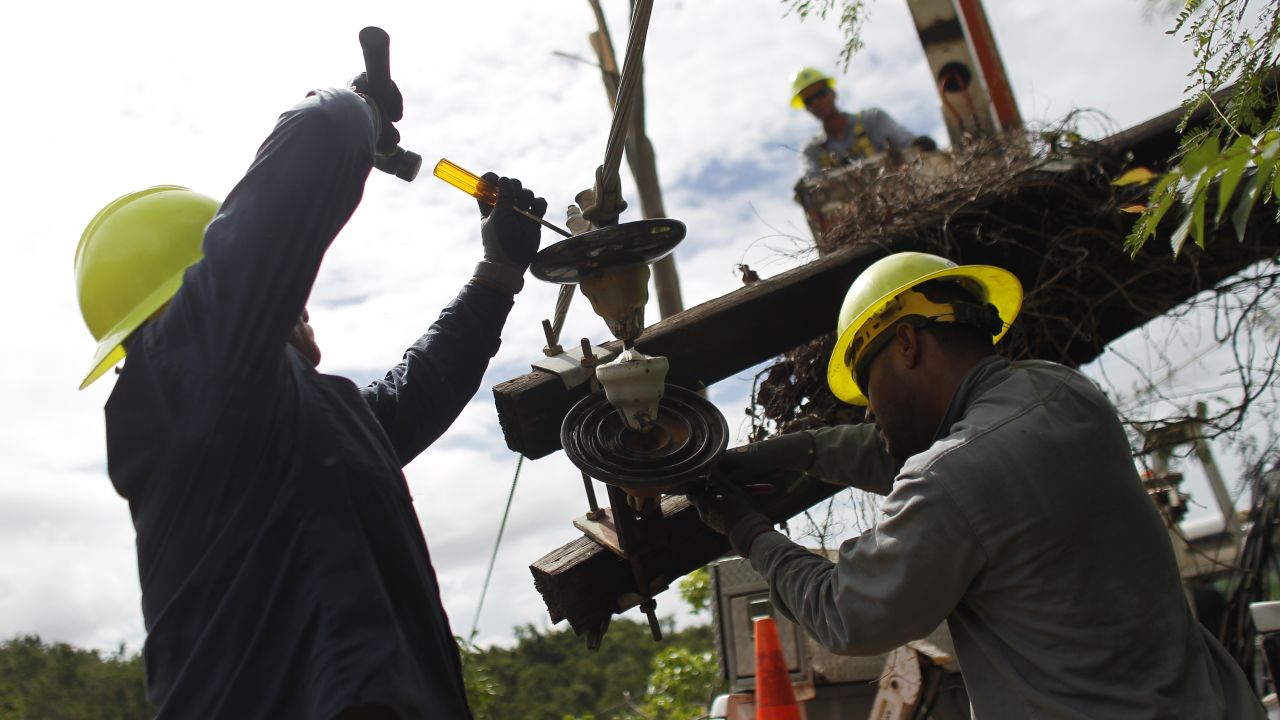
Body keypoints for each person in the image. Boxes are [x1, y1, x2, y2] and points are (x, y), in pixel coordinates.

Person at [73, 68, 547, 719]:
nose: (294, 297)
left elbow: (411, 398)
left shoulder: (276, 419)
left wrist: (496, 275)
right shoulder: (186, 370)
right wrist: (363, 111)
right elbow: (322, 132)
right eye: (271, 283)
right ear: (196, 301)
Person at [690, 252, 1264, 718]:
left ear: (908, 345)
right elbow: (942, 454)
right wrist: (800, 452)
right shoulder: (1064, 394)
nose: (869, 414)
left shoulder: (950, 478)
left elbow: (848, 613)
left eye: (869, 389)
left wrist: (750, 533)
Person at [791, 67, 937, 177]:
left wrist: (920, 145)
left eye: (820, 94)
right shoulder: (812, 151)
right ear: (807, 108)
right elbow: (811, 184)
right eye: (809, 101)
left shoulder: (873, 119)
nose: (817, 102)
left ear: (833, 94)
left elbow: (907, 144)